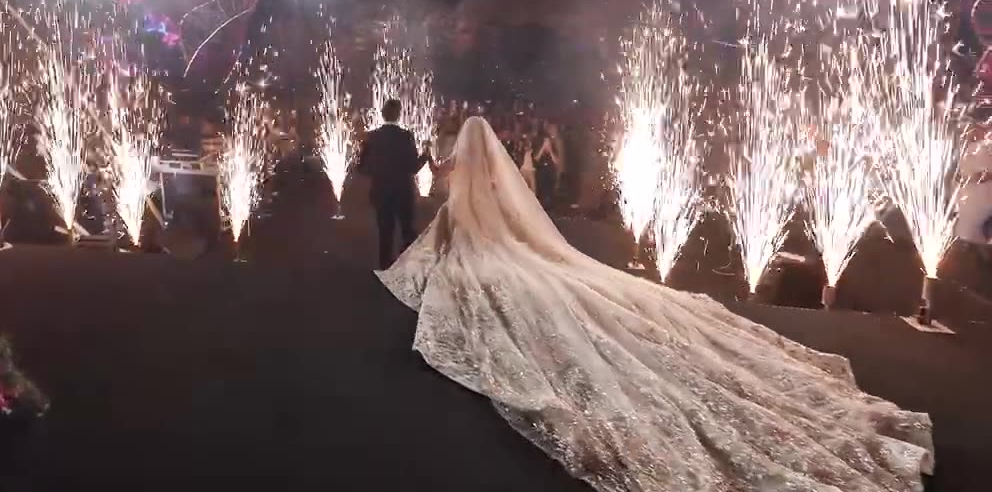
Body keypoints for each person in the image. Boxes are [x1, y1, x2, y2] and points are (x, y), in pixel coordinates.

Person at [377, 117, 933, 492]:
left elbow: (452, 221)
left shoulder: (462, 176)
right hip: (518, 250)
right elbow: (519, 220)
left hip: (490, 252)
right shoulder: (499, 180)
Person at [356, 99, 430, 270]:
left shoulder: (371, 137)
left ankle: (385, 269)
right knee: (407, 231)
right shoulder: (406, 136)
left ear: (382, 115)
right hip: (403, 192)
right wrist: (425, 155)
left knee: (385, 233)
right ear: (399, 115)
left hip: (381, 192)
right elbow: (413, 167)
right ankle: (408, 268)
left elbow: (361, 168)